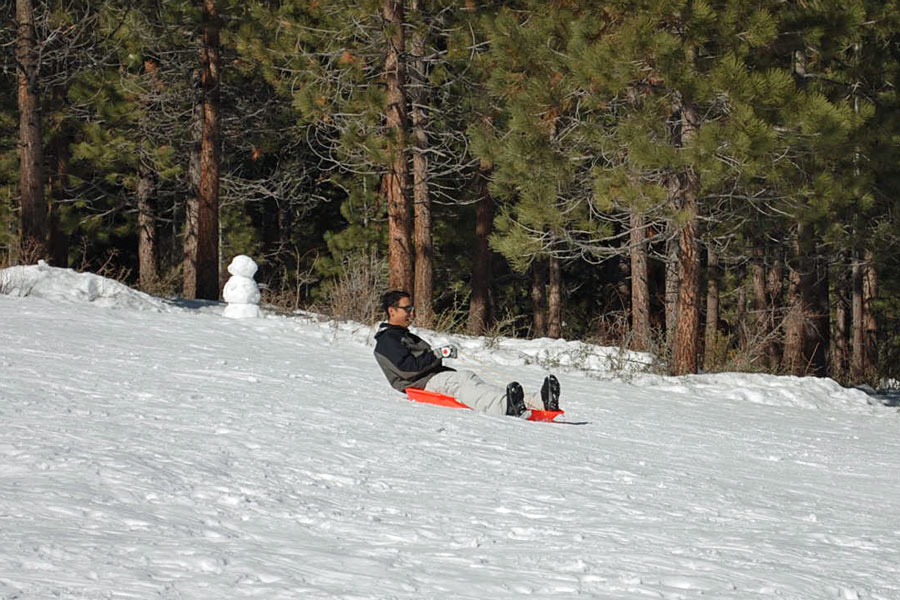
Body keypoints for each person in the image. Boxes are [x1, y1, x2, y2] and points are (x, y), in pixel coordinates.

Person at [373, 290, 561, 417]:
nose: (412, 313)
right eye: (407, 309)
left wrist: (439, 355)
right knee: (462, 382)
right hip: (420, 384)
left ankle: (539, 402)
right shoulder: (387, 340)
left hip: (433, 378)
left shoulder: (401, 335)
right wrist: (438, 354)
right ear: (392, 311)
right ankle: (506, 407)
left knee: (470, 381)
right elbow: (407, 370)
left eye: (412, 309)